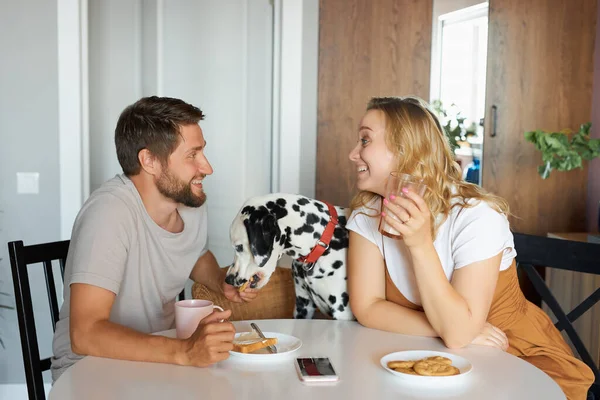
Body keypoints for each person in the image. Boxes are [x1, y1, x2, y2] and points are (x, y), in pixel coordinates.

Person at [346, 96, 594, 399]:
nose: (352, 154)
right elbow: (368, 308)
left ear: (405, 149)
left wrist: (420, 244)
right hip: (429, 357)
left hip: (514, 358)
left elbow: (458, 334)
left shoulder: (476, 216)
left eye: (365, 140)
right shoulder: (367, 214)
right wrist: (457, 332)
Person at [51, 96, 257, 382]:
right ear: (149, 161)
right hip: (92, 368)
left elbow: (194, 254)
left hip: (159, 357)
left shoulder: (189, 202)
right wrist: (185, 351)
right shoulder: (108, 213)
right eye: (192, 155)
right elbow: (85, 334)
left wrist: (222, 280)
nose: (207, 168)